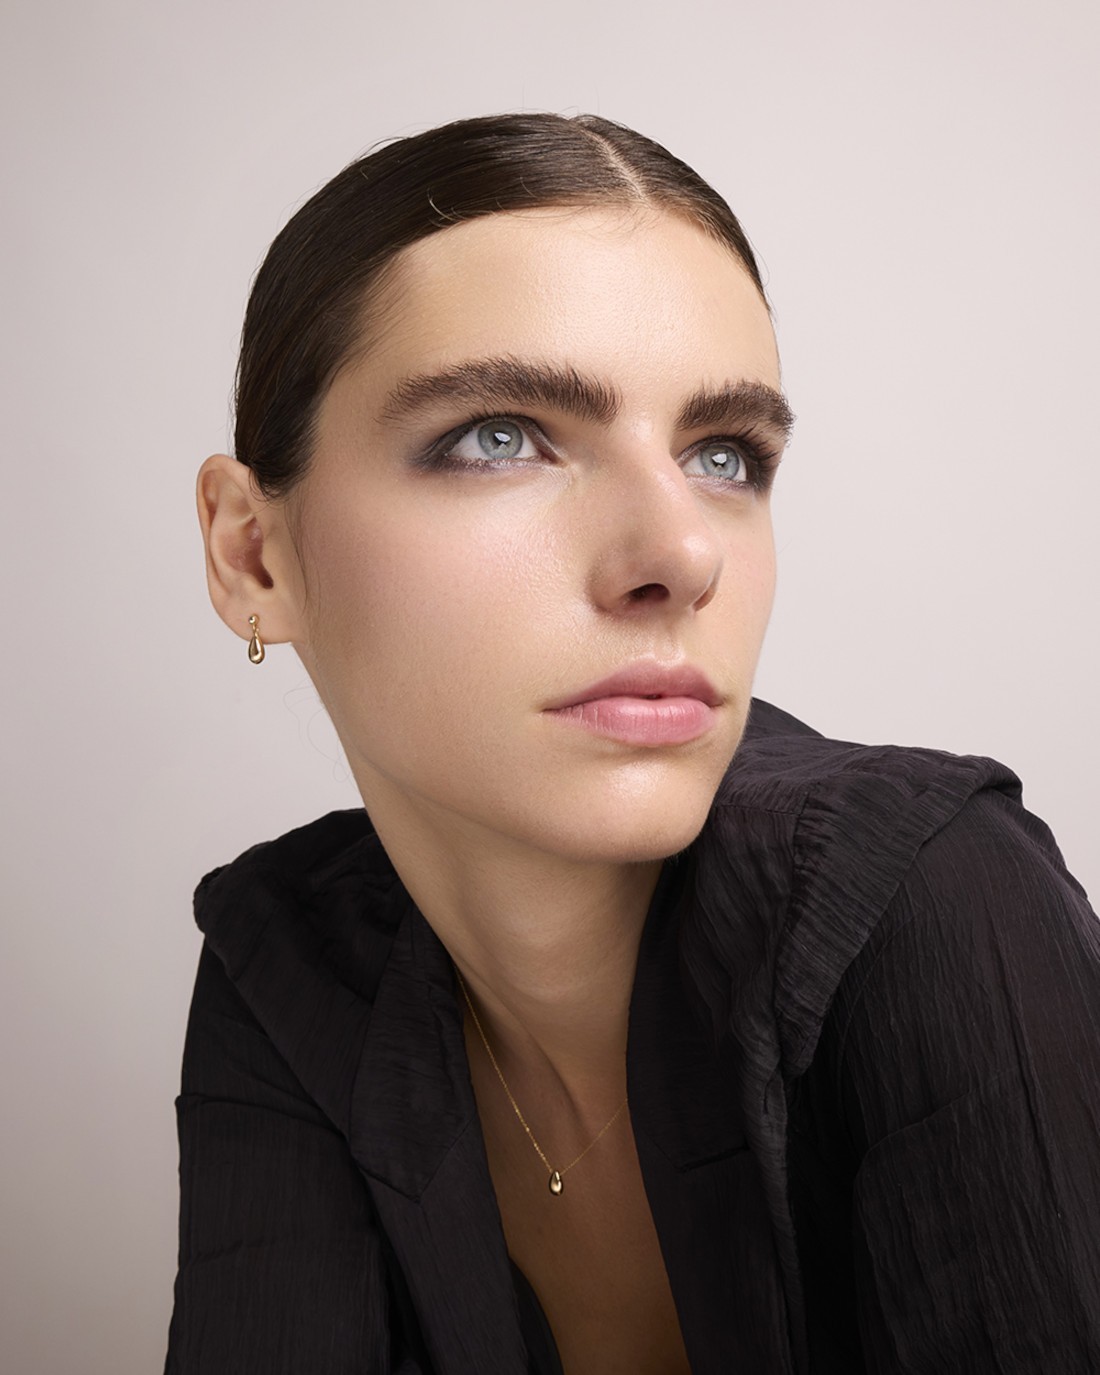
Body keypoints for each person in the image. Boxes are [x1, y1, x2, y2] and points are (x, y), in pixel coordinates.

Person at [166, 113, 1100, 1374]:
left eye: (723, 455)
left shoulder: (925, 898)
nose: (679, 553)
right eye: (498, 436)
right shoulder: (288, 962)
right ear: (252, 555)